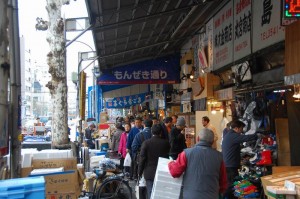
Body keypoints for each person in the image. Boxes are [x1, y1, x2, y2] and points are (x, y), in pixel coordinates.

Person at [168, 128, 227, 199]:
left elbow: (175, 172)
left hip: (190, 196)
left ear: (198, 138)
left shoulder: (186, 154)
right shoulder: (219, 157)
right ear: (212, 141)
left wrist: (170, 163)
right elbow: (223, 183)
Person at [222, 120, 257, 199]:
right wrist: (256, 135)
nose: (242, 131)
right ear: (237, 128)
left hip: (229, 164)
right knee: (231, 185)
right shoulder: (233, 135)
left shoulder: (229, 135)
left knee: (232, 185)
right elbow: (245, 138)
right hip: (230, 165)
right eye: (241, 129)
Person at [139, 124, 170, 199]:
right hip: (162, 171)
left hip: (149, 172)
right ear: (161, 133)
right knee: (161, 193)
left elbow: (142, 159)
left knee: (150, 193)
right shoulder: (166, 143)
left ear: (151, 132)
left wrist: (139, 172)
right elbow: (168, 157)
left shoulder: (146, 143)